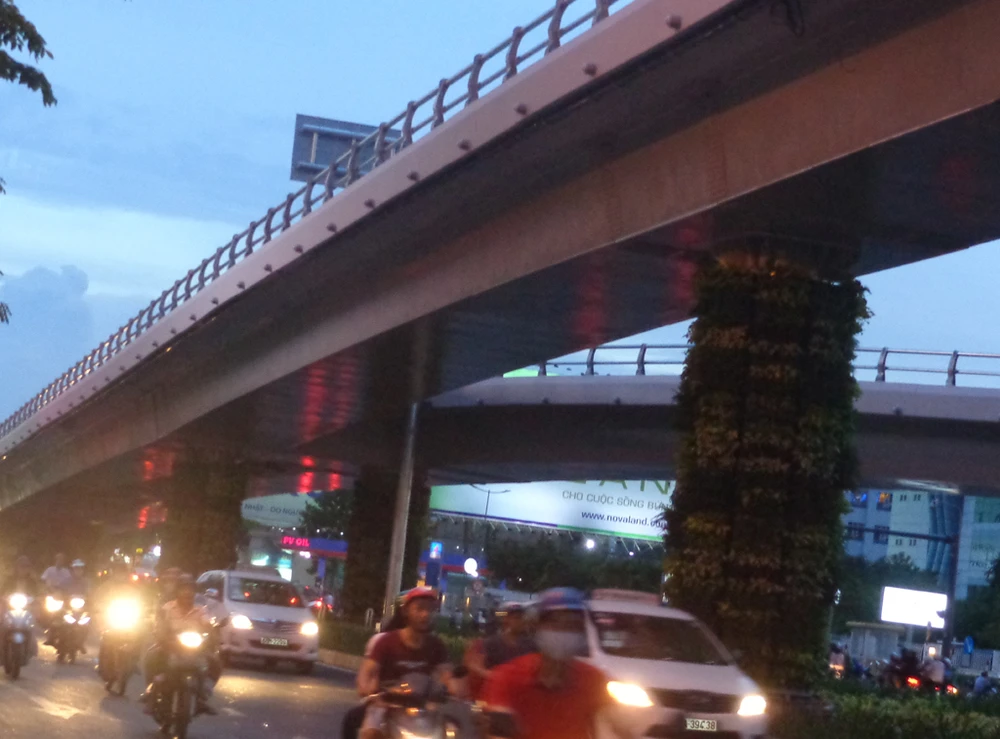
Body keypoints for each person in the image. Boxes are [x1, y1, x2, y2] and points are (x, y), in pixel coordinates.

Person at [484, 587, 631, 739]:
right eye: (556, 623)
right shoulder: (507, 678)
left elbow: (608, 727)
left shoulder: (594, 680)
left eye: (573, 626)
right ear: (537, 627)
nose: (565, 632)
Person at [357, 587, 452, 739]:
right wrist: (367, 690)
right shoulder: (386, 642)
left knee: (452, 731)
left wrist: (451, 687)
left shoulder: (437, 646)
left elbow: (447, 675)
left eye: (430, 609)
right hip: (386, 706)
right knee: (371, 733)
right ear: (406, 611)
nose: (425, 614)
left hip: (423, 710)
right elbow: (367, 672)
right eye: (419, 609)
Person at [141, 574, 220, 716]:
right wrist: (162, 635)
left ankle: (203, 695)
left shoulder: (201, 610)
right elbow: (160, 624)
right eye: (184, 589)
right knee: (151, 657)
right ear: (177, 591)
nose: (187, 593)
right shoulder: (168, 608)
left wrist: (213, 634)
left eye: (190, 589)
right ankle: (151, 691)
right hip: (169, 645)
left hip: (194, 648)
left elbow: (207, 624)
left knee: (215, 662)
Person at [465, 601, 534, 699]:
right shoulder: (490, 643)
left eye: (521, 618)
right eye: (516, 618)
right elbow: (475, 666)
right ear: (505, 620)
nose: (520, 621)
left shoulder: (529, 646)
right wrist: (496, 677)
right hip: (494, 695)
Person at [0, 556, 40, 660]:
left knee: (32, 625)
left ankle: (31, 647)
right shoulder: (9, 579)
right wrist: (3, 597)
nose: (23, 569)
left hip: (26, 609)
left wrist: (37, 599)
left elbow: (37, 594)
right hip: (10, 607)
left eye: (26, 567)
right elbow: (2, 591)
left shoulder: (32, 582)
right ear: (17, 567)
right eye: (21, 566)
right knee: (2, 623)